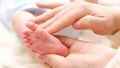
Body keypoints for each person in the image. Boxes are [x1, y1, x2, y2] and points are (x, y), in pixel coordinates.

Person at [23, 0, 120, 68]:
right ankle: (45, 41)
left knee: (22, 19)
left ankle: (42, 41)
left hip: (71, 13)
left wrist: (116, 18)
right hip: (73, 12)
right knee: (25, 20)